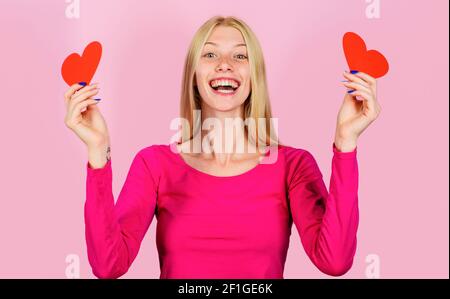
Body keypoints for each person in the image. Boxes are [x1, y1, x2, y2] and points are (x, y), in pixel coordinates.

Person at [63, 15, 381, 279]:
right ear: (194, 76)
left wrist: (346, 143)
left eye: (240, 55)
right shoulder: (154, 164)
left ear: (254, 75)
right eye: (211, 54)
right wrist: (98, 150)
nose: (225, 65)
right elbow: (107, 265)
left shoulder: (292, 166)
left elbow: (335, 261)